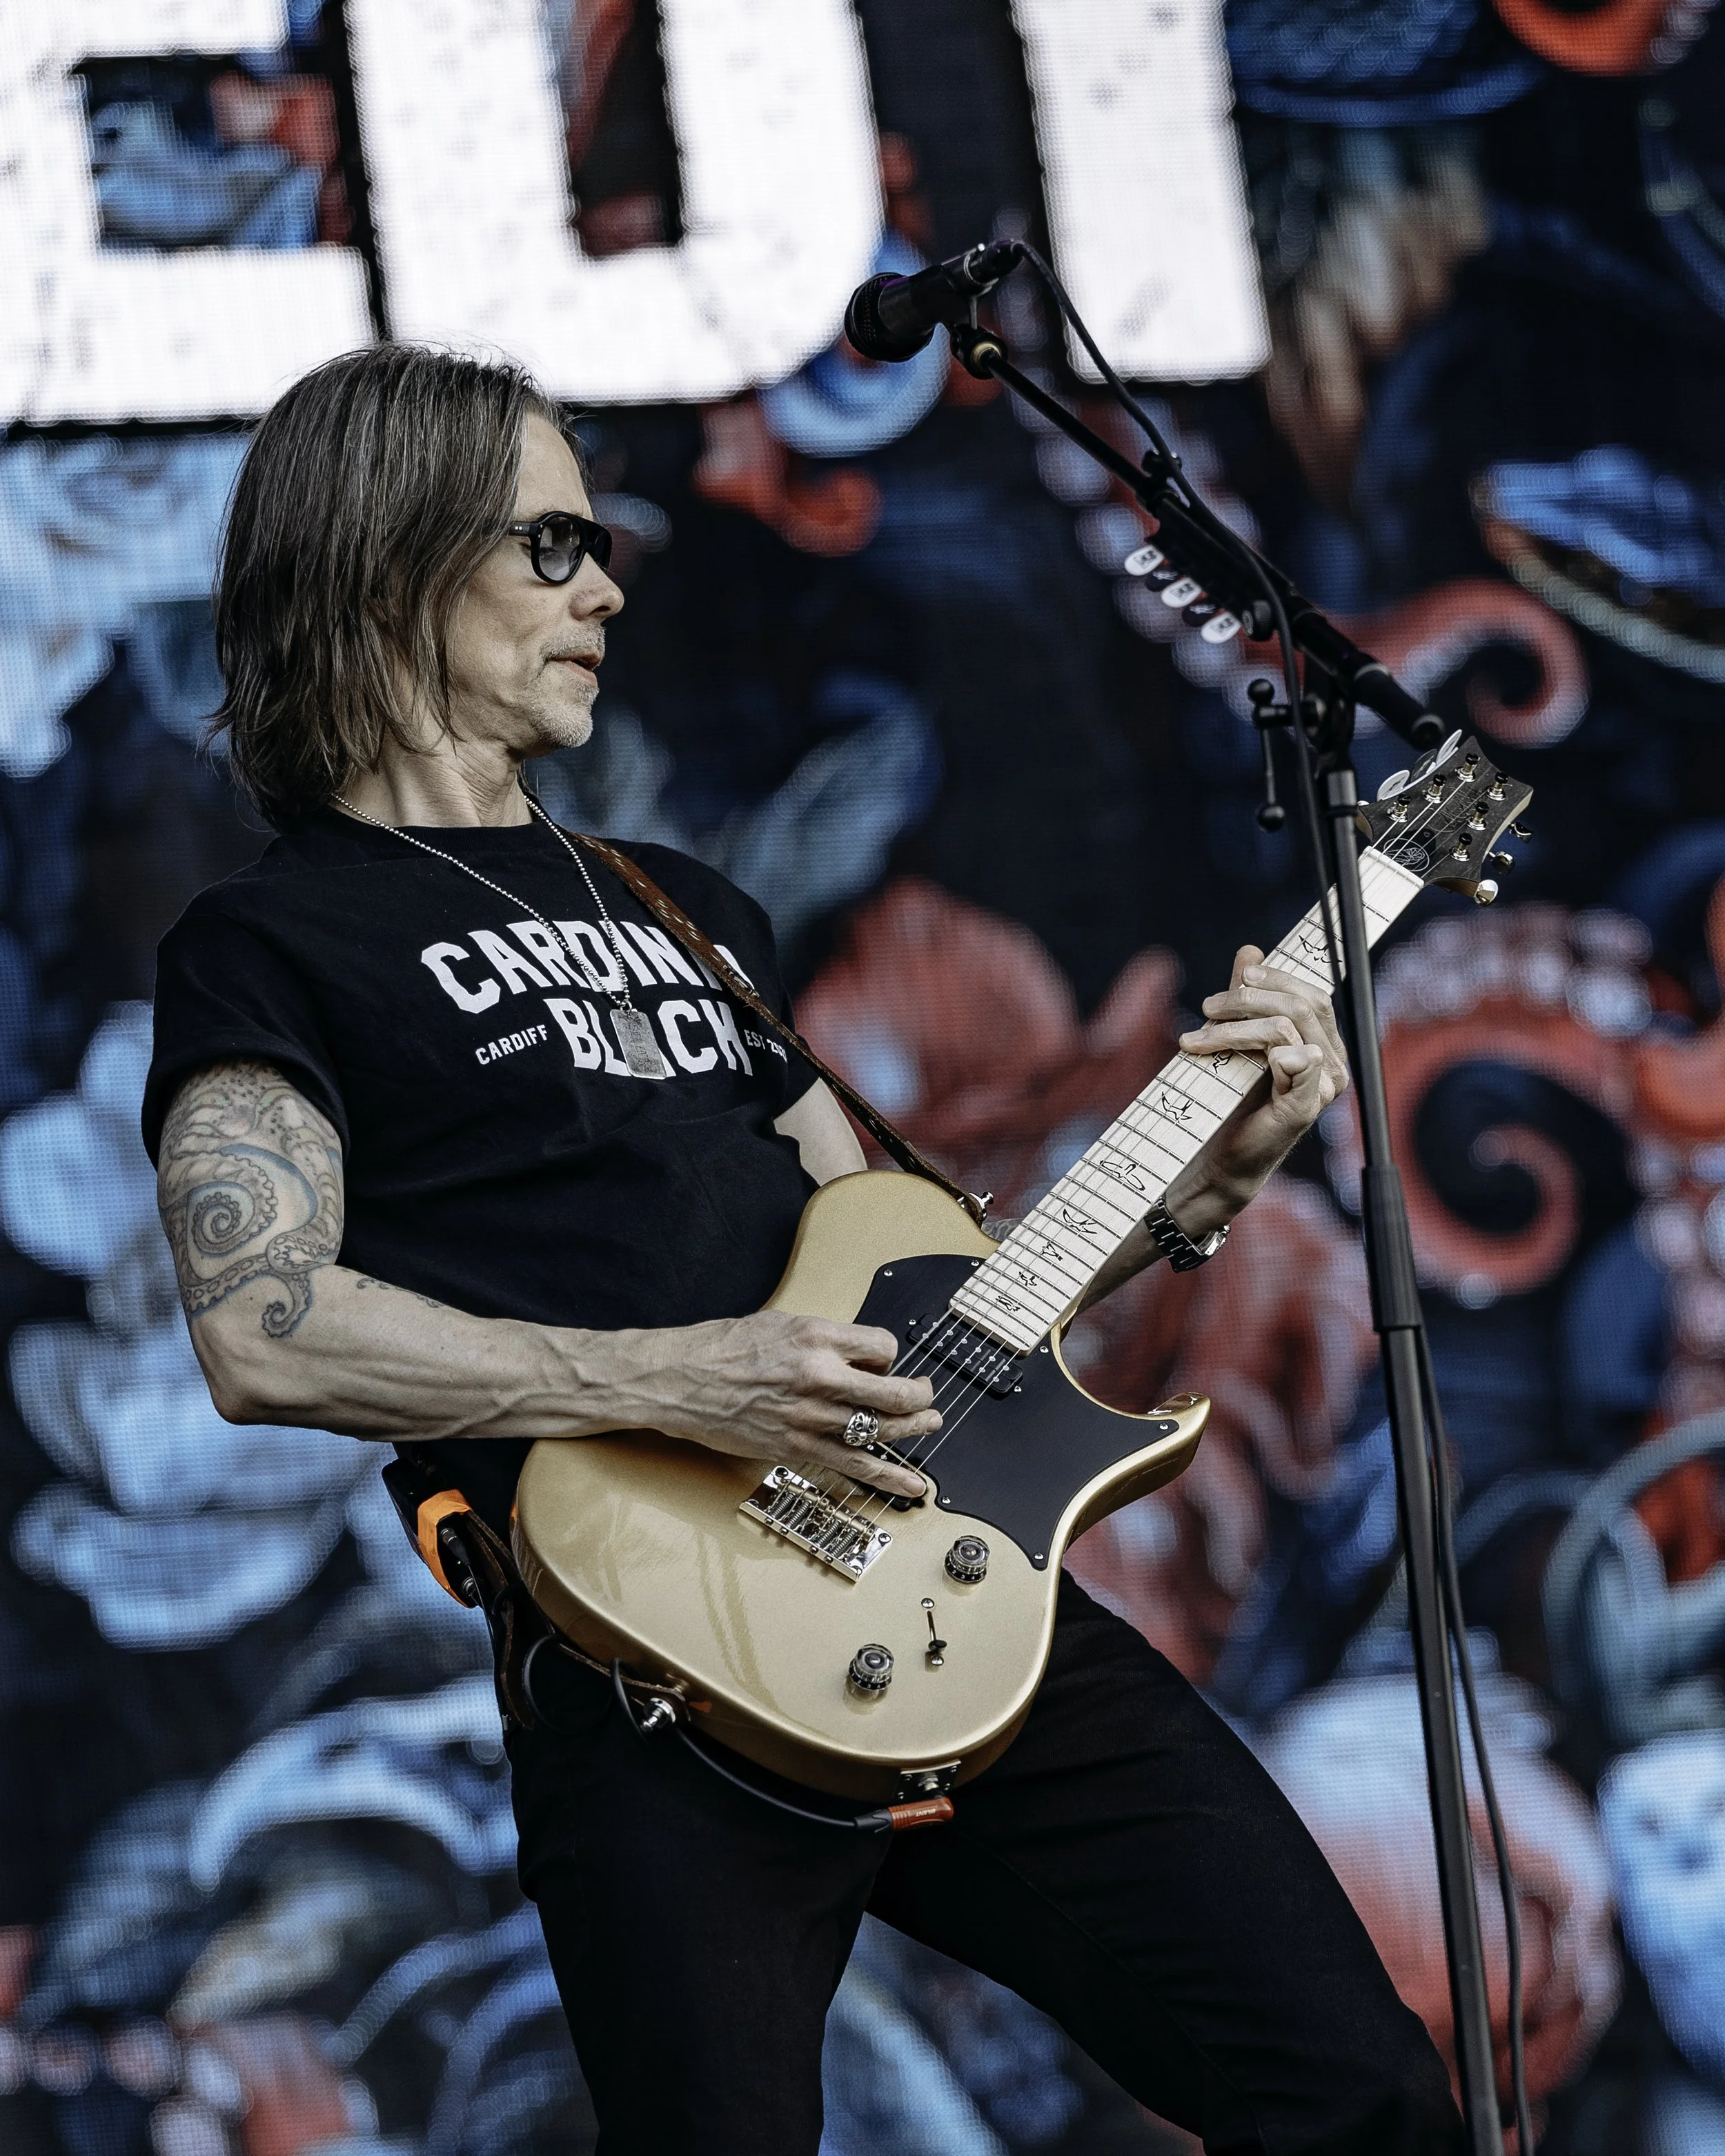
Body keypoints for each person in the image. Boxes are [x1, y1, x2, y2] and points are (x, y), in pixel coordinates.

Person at [144, 344, 1463, 2155]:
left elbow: (928, 1275)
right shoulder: (273, 944)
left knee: (1360, 2091)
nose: (607, 581)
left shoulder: (688, 910)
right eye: (551, 542)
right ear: (386, 566)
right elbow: (264, 1326)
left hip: (944, 1591)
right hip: (650, 1649)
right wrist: (678, 1380)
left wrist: (1207, 1173)